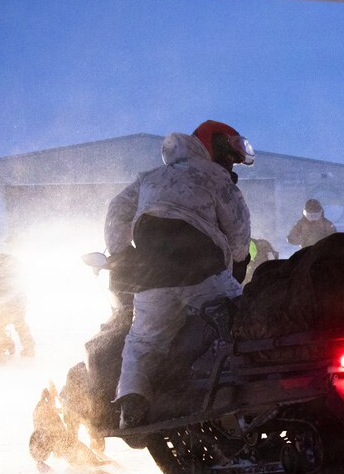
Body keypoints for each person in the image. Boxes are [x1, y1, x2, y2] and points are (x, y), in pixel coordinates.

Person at [104, 120, 253, 428]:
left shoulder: (149, 178)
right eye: (229, 152)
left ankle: (132, 402)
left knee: (143, 341)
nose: (231, 161)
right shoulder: (215, 176)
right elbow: (239, 227)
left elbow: (117, 209)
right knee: (241, 318)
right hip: (206, 276)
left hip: (153, 281)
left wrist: (120, 252)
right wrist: (239, 261)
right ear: (212, 148)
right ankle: (246, 383)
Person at [0, 251, 35, 358]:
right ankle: (28, 348)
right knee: (20, 325)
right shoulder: (12, 271)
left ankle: (1, 346)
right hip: (18, 305)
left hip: (4, 306)